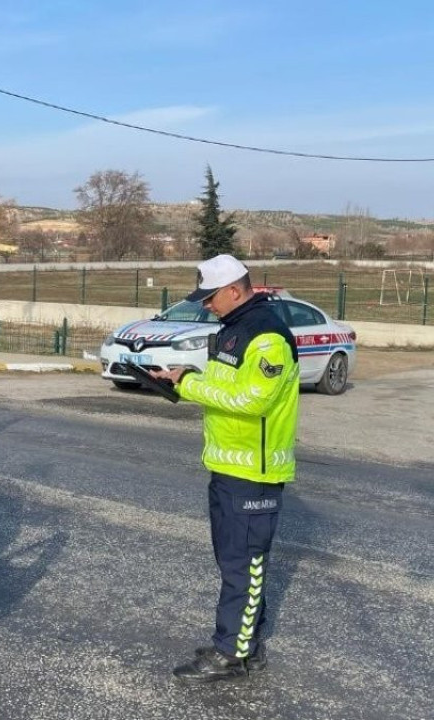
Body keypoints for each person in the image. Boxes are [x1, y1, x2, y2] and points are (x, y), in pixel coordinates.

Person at [149, 254, 300, 684]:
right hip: (229, 466)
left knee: (243, 565)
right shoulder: (234, 329)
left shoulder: (266, 337)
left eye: (210, 297)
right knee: (235, 561)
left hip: (254, 472)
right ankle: (244, 644)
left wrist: (189, 384)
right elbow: (226, 386)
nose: (205, 305)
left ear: (235, 290)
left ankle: (231, 653)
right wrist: (184, 376)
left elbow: (252, 400)